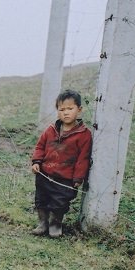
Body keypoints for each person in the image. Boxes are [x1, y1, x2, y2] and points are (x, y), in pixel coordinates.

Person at [31, 89, 92, 237]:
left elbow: (83, 158)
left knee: (60, 203)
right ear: (57, 111)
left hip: (65, 179)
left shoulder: (84, 135)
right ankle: (43, 223)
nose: (66, 113)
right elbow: (40, 146)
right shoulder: (50, 130)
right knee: (41, 199)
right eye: (61, 109)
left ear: (79, 110)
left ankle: (55, 224)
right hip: (44, 174)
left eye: (70, 109)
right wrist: (37, 161)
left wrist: (78, 178)